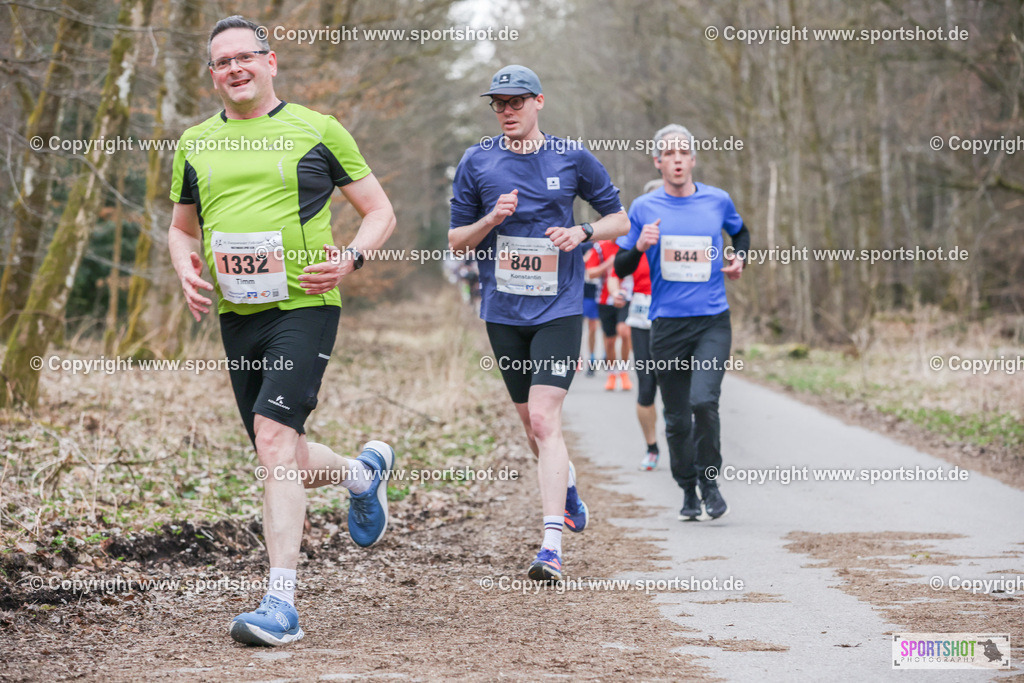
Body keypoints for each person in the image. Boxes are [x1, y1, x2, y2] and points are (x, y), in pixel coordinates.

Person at [168, 16, 397, 646]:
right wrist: (185, 268)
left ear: (271, 62)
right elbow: (182, 227)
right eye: (221, 62)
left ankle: (281, 603)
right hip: (239, 314)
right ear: (212, 75)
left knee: (273, 440)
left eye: (245, 56)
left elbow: (379, 210)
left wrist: (351, 259)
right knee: (282, 454)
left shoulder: (317, 130)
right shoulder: (195, 142)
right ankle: (360, 474)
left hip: (306, 305)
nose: (234, 68)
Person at [449, 65, 628, 581]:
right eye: (498, 103)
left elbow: (620, 218)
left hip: (560, 307)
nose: (506, 110)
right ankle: (566, 484)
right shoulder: (476, 160)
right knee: (531, 424)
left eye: (516, 102)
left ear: (538, 102)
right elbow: (457, 239)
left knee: (547, 420)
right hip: (503, 312)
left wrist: (584, 231)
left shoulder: (571, 156)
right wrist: (491, 221)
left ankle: (551, 545)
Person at [615, 125, 749, 520]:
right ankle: (687, 488)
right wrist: (639, 245)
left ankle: (710, 481)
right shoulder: (643, 209)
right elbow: (622, 265)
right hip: (667, 325)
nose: (676, 160)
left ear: (692, 160)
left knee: (704, 402)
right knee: (675, 418)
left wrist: (740, 258)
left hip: (711, 321)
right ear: (658, 162)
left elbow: (741, 234)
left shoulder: (717, 200)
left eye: (683, 153)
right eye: (668, 154)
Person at [585, 240, 632, 391]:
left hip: (628, 297)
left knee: (624, 332)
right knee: (610, 340)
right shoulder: (600, 247)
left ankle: (623, 372)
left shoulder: (630, 245)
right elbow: (590, 272)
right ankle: (612, 374)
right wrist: (609, 264)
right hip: (605, 298)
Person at [580, 242, 600, 377]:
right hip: (583, 291)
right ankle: (577, 357)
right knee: (578, 328)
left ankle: (592, 359)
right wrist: (585, 259)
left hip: (599, 292)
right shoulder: (585, 247)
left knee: (593, 328)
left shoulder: (607, 246)